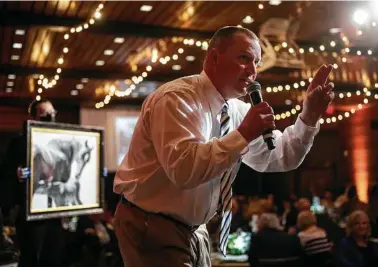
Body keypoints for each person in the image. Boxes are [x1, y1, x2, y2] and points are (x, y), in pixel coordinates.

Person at [113, 26, 335, 267]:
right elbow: (184, 170)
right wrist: (243, 134)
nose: (252, 71)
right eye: (244, 58)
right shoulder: (177, 99)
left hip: (195, 228)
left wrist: (309, 117)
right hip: (153, 224)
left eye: (257, 63)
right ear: (215, 58)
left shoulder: (237, 110)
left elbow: (281, 157)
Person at [0, 98, 65, 267]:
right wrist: (17, 174)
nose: (50, 118)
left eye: (53, 114)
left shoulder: (61, 143)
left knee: (54, 258)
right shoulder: (20, 144)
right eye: (45, 115)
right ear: (34, 118)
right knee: (31, 259)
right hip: (31, 216)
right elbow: (6, 174)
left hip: (55, 214)